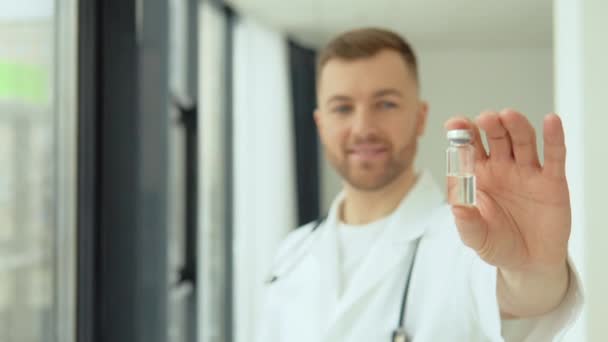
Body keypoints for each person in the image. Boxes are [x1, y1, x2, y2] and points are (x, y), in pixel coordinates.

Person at [256, 28, 582, 341]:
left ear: (420, 117)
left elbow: (526, 296)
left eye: (386, 104)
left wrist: (533, 267)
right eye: (342, 108)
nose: (363, 128)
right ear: (320, 124)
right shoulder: (291, 254)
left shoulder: (471, 240)